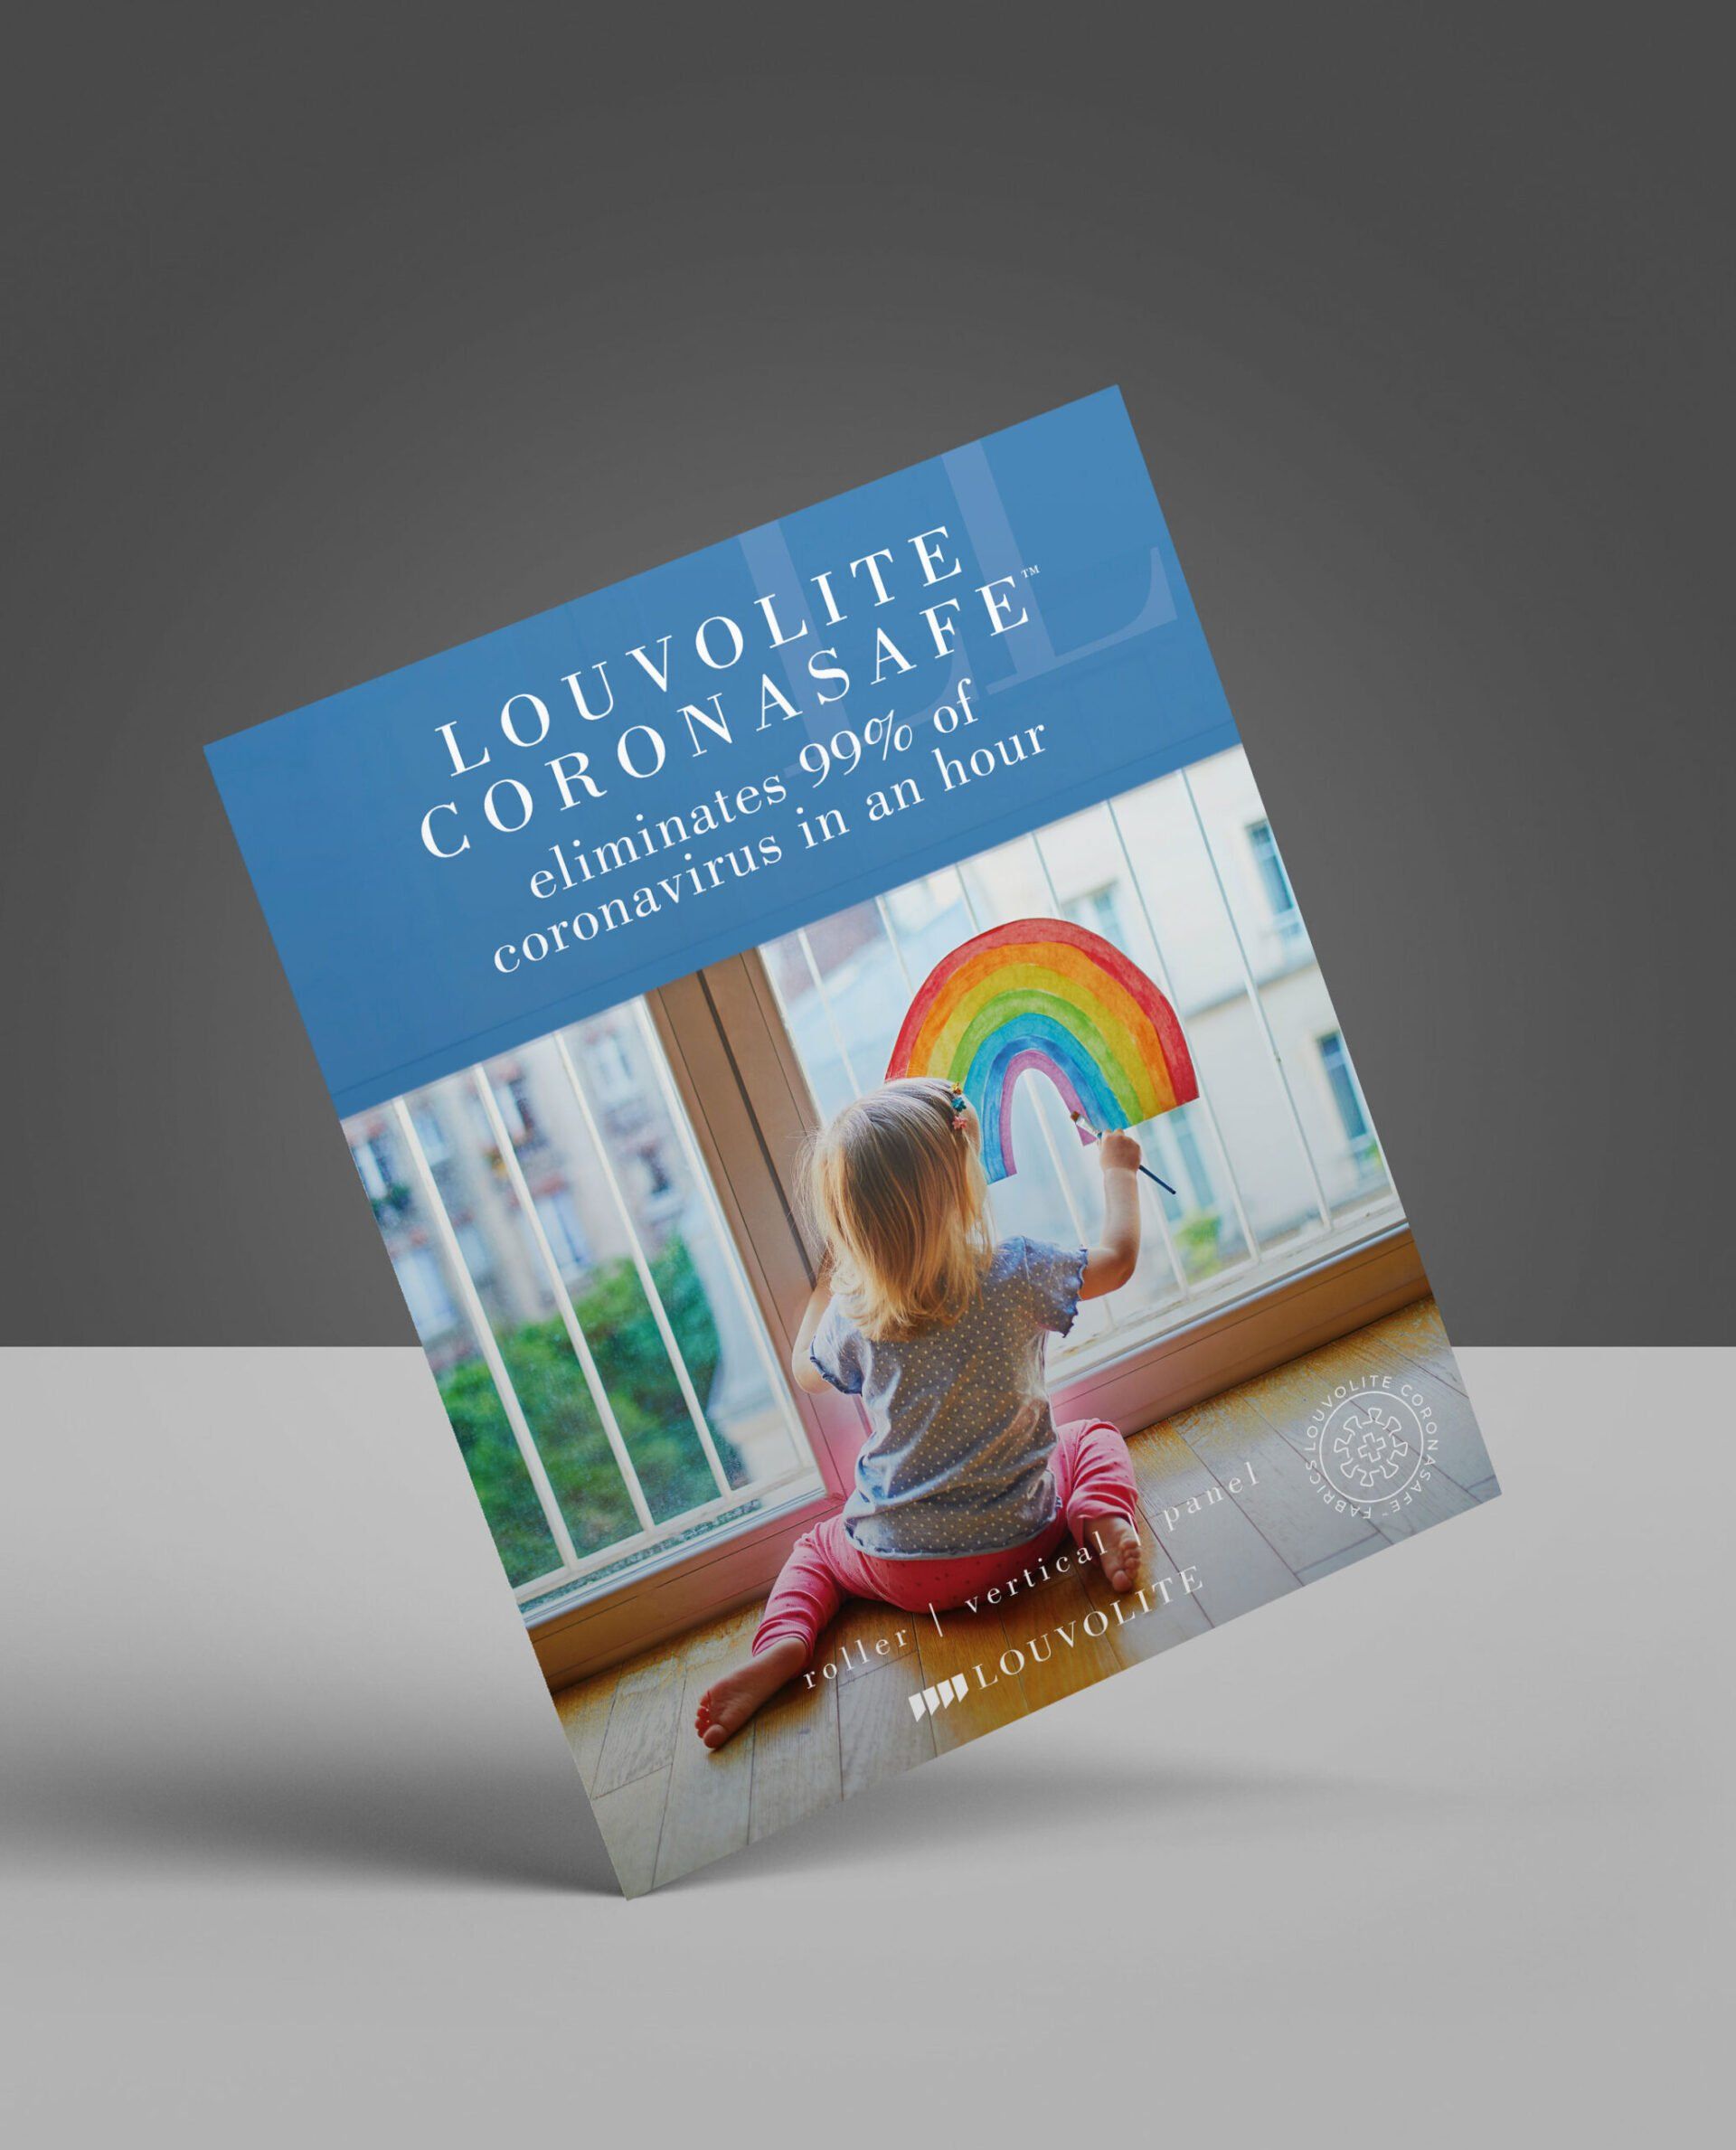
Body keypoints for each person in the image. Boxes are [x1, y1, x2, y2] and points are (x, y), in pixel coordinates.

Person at [695, 1075, 1145, 1749]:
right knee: (1091, 1437)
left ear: (850, 1227)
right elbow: (1117, 1261)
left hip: (900, 1567)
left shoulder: (854, 1315)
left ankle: (786, 1644)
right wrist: (1118, 1170)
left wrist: (826, 1284)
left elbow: (803, 1375)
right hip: (1025, 1535)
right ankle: (1101, 1519)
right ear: (962, 1184)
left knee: (816, 1552)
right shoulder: (1015, 1269)